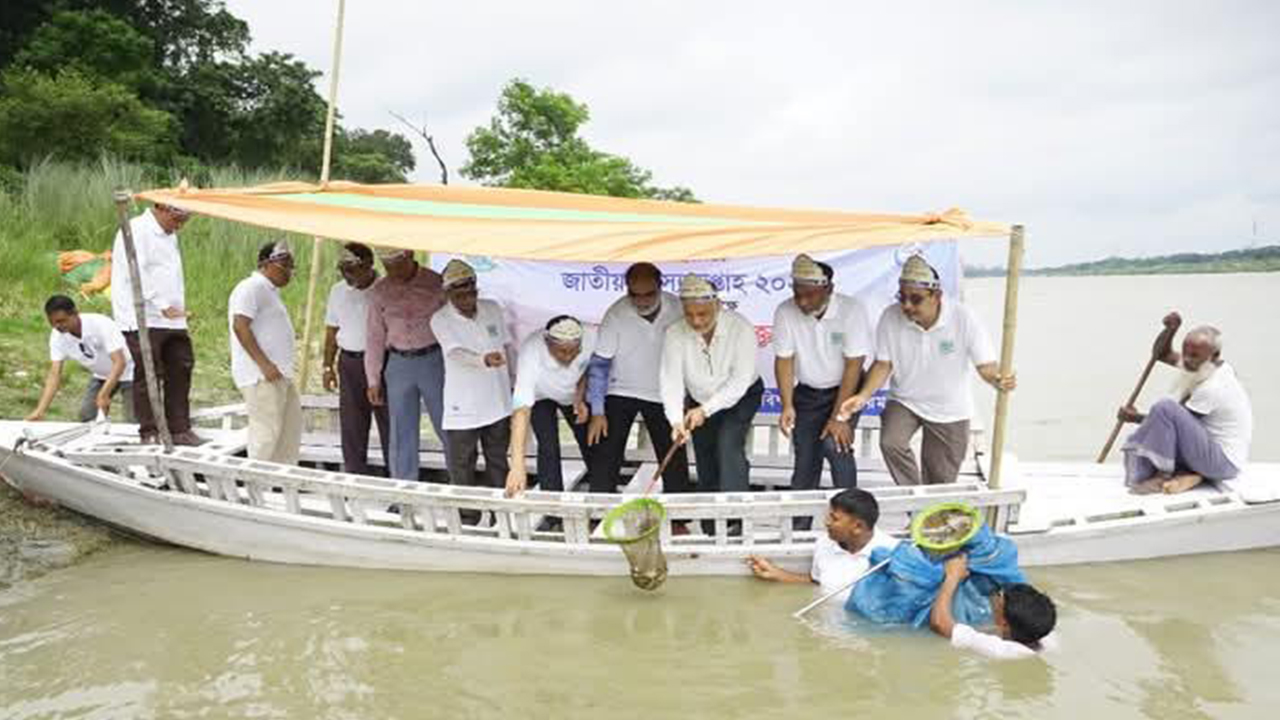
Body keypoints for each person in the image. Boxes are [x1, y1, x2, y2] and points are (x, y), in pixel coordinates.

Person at [838, 255, 1015, 485]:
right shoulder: (891, 316)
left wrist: (997, 379)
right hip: (905, 400)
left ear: (937, 296)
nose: (906, 306)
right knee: (891, 443)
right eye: (902, 297)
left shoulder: (963, 317)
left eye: (916, 299)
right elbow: (883, 364)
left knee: (940, 479)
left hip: (950, 408)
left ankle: (928, 502)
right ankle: (914, 496)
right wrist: (863, 396)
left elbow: (986, 366)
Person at [585, 263, 692, 495]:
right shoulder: (616, 313)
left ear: (661, 287)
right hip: (621, 390)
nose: (642, 301)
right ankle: (599, 508)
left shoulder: (679, 308)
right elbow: (600, 365)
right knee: (607, 453)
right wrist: (598, 412)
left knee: (673, 457)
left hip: (665, 392)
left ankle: (678, 511)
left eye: (649, 294)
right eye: (635, 295)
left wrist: (687, 398)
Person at [773, 254, 872, 505]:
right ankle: (800, 523)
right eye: (797, 294)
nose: (802, 301)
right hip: (808, 392)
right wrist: (787, 405)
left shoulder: (851, 310)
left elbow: (854, 365)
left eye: (810, 295)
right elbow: (784, 360)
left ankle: (851, 514)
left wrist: (839, 417)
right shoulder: (785, 311)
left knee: (835, 445)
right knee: (806, 459)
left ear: (828, 289)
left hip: (847, 390)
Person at [661, 274, 764, 511]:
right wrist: (676, 420)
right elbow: (671, 380)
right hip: (699, 399)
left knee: (728, 446)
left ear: (717, 305)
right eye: (689, 314)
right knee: (704, 454)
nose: (696, 321)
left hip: (742, 396)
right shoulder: (674, 333)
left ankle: (735, 516)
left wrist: (705, 410)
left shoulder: (740, 327)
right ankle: (710, 520)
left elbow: (739, 382)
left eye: (703, 314)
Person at [1119, 315, 1252, 494]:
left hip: (1223, 464)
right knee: (1154, 426)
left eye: (1194, 355)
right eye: (1185, 353)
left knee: (1165, 407)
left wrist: (1134, 417)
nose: (1187, 360)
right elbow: (1161, 354)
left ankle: (1162, 476)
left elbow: (1173, 424)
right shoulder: (1206, 364)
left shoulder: (1214, 386)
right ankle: (1191, 474)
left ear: (1214, 355)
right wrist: (1170, 331)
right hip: (1208, 452)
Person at [110, 202, 199, 444]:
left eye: (184, 222)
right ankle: (150, 431)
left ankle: (179, 429)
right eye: (177, 220)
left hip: (173, 317)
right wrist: (161, 304)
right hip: (142, 315)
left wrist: (175, 309)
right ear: (162, 208)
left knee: (180, 366)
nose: (179, 226)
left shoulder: (170, 235)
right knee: (149, 371)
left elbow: (169, 275)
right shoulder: (137, 229)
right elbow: (136, 271)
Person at [429, 260, 513, 497]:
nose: (467, 299)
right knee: (462, 464)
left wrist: (515, 381)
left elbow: (506, 344)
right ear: (448, 293)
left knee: (498, 459)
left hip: (497, 398)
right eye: (460, 295)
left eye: (471, 292)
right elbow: (454, 353)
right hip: (463, 403)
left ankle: (501, 511)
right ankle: (468, 514)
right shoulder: (440, 319)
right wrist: (482, 360)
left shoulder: (492, 308)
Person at [364, 248, 448, 481]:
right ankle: (404, 486)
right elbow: (374, 336)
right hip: (398, 363)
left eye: (397, 266)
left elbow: (453, 322)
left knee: (447, 422)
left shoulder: (435, 282)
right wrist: (373, 379)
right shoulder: (380, 291)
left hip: (433, 359)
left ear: (410, 255)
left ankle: (461, 480)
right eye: (387, 267)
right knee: (401, 429)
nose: (393, 273)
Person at [746, 488, 898, 601]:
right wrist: (777, 574)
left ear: (858, 527)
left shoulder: (894, 554)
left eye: (834, 519)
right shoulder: (824, 544)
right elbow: (817, 583)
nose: (826, 522)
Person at [505, 316, 597, 499]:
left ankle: (599, 489)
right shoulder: (531, 350)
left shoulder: (592, 337)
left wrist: (579, 397)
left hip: (572, 394)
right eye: (562, 351)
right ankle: (552, 501)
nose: (568, 357)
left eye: (574, 351)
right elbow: (521, 411)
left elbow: (589, 367)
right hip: (540, 395)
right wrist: (517, 467)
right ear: (547, 342)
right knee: (548, 446)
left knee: (589, 441)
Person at [228, 241, 301, 464]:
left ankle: (282, 482)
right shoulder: (252, 287)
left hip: (280, 374)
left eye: (291, 266)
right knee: (265, 436)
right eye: (283, 265)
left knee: (287, 435)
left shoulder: (270, 292)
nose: (289, 271)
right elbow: (240, 326)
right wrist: (264, 365)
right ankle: (256, 482)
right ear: (265, 264)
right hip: (261, 376)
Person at [322, 243, 391, 476]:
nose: (346, 275)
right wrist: (327, 366)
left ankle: (395, 478)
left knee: (389, 422)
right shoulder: (337, 291)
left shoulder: (386, 289)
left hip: (383, 363)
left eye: (351, 269)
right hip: (349, 362)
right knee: (352, 425)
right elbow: (331, 331)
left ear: (369, 265)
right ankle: (354, 477)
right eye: (343, 270)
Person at [27, 295, 135, 423]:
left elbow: (120, 362)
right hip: (101, 375)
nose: (58, 326)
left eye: (62, 321)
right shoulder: (57, 336)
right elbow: (54, 374)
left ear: (75, 313)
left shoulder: (101, 324)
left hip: (130, 373)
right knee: (87, 416)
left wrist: (104, 394)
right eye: (53, 323)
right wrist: (40, 410)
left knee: (133, 421)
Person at [930, 554, 1058, 660]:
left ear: (1004, 623)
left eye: (999, 597)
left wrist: (952, 576)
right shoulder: (1045, 635)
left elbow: (939, 624)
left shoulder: (998, 649)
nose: (996, 596)